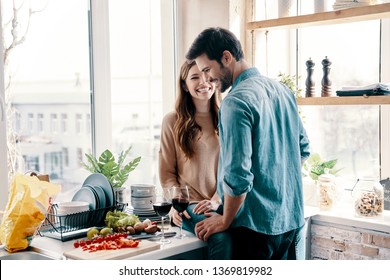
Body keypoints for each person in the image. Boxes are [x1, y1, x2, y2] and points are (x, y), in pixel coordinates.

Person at [186, 27, 311, 260]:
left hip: (255, 230)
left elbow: (237, 177)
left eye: (207, 69)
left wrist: (225, 219)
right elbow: (303, 149)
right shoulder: (283, 91)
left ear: (226, 57)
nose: (206, 78)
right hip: (291, 221)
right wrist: (276, 183)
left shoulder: (235, 102)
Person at [158, 60, 232, 260]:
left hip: (224, 200)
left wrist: (217, 199)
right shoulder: (172, 121)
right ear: (184, 85)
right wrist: (175, 202)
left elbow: (232, 168)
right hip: (192, 205)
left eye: (207, 76)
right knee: (222, 238)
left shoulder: (228, 116)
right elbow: (166, 174)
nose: (203, 82)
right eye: (195, 77)